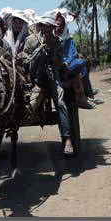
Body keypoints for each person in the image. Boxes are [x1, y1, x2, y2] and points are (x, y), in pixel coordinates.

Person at [22, 15, 79, 155]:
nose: (47, 29)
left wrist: (50, 47)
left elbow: (58, 64)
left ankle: (67, 139)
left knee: (60, 102)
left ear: (53, 28)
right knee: (26, 102)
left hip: (53, 77)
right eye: (44, 26)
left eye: (50, 26)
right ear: (40, 26)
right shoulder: (31, 41)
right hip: (35, 78)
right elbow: (24, 57)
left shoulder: (58, 42)